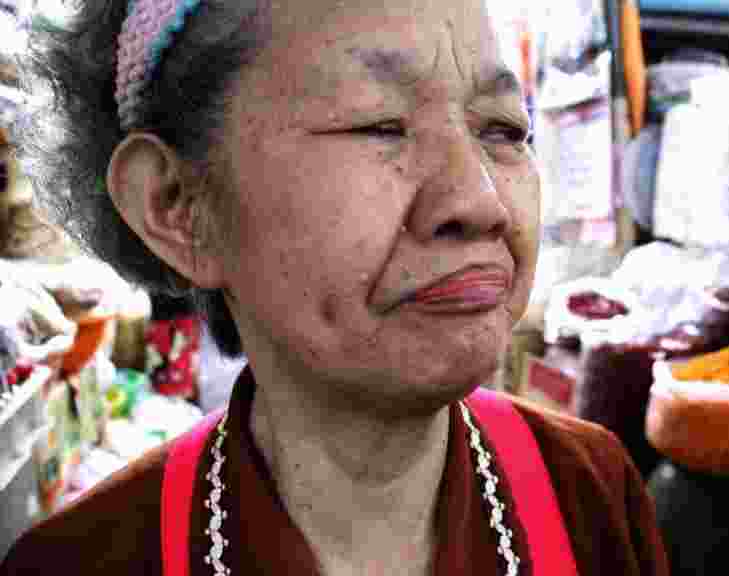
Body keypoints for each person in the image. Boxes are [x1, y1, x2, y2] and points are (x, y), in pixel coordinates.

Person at [1, 1, 669, 574]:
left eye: (501, 129)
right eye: (378, 124)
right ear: (178, 205)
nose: (480, 199)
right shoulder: (82, 561)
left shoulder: (592, 496)